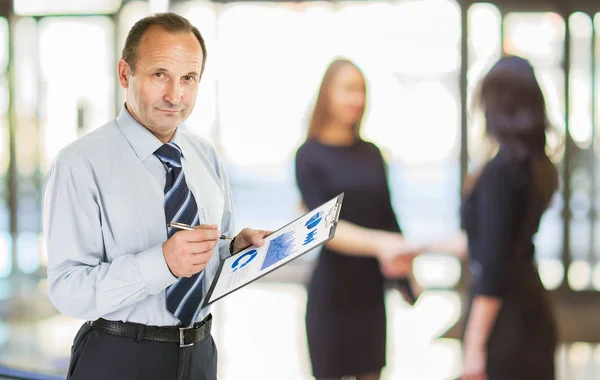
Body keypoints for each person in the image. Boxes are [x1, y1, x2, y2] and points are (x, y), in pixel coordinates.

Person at [43, 13, 268, 380]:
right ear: (125, 74)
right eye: (159, 74)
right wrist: (162, 263)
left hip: (200, 354)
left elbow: (213, 249)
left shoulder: (205, 155)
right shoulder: (79, 164)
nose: (174, 96)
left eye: (188, 79)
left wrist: (233, 251)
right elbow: (68, 289)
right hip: (119, 358)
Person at [395, 56, 558, 380]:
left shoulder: (501, 172)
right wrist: (418, 247)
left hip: (506, 325)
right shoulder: (538, 166)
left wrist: (473, 346)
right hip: (532, 313)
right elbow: (485, 241)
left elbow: (493, 265)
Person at [294, 58, 416, 380]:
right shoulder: (308, 155)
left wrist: (406, 276)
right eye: (348, 89)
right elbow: (322, 227)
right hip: (331, 298)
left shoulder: (372, 153)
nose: (356, 99)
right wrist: (381, 244)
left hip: (371, 296)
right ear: (327, 95)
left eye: (361, 90)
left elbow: (387, 217)